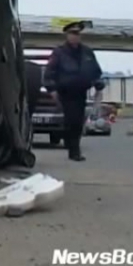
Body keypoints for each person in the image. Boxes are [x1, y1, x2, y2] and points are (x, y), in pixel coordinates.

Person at [43, 21, 105, 161]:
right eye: (72, 33)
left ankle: (73, 148)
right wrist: (52, 90)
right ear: (67, 35)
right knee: (71, 120)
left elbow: (95, 72)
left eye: (77, 33)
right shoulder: (59, 53)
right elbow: (49, 73)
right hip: (65, 93)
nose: (75, 36)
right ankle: (73, 150)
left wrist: (98, 86)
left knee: (77, 122)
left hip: (81, 92)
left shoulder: (87, 52)